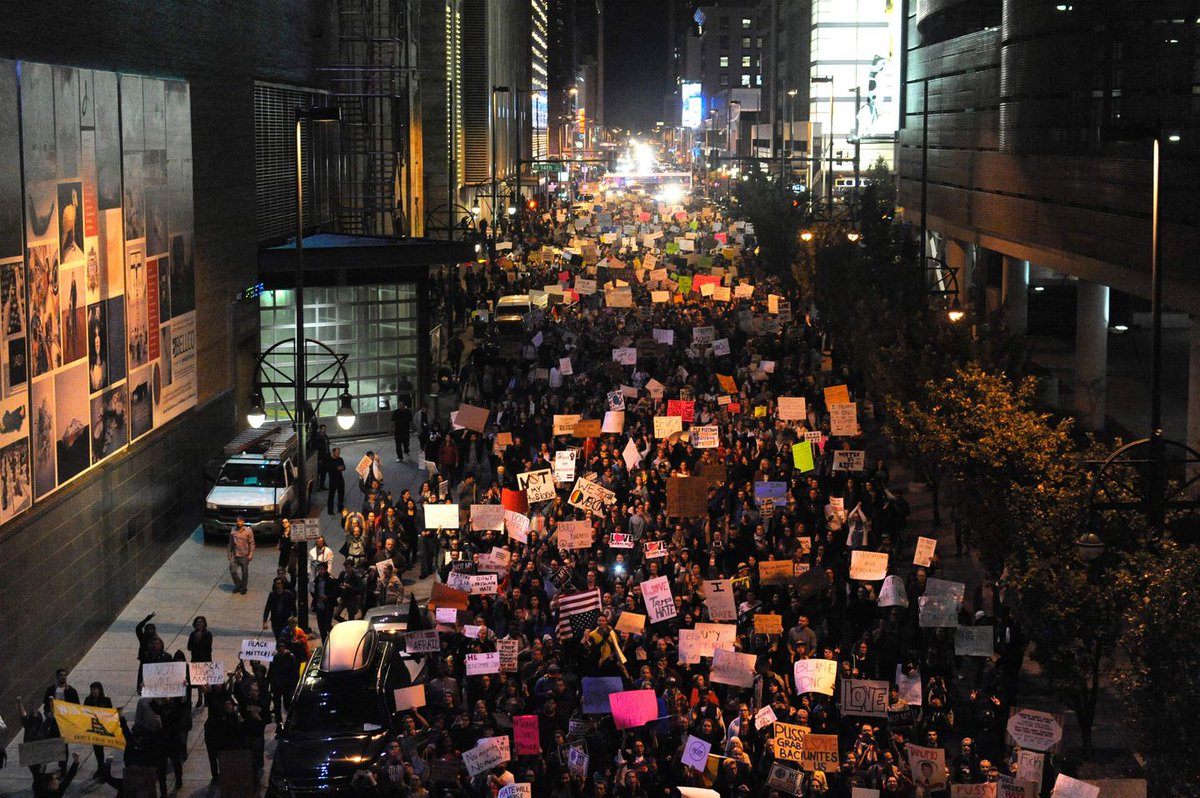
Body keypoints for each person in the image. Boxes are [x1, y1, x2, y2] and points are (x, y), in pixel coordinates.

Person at [82, 682, 112, 775]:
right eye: (92, 689)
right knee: (97, 749)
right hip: (92, 728)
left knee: (100, 748)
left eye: (95, 689)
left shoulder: (106, 700)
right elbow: (84, 712)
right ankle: (100, 767)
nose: (93, 691)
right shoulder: (88, 700)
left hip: (102, 728)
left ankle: (101, 768)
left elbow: (110, 712)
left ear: (100, 690)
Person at [228, 516, 255, 594]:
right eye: (237, 521)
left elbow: (252, 543)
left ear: (243, 522)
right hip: (235, 554)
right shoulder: (233, 530)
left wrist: (251, 554)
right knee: (232, 571)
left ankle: (243, 588)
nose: (238, 522)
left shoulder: (248, 531)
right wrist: (229, 553)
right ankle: (238, 584)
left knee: (244, 572)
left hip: (244, 555)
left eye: (240, 521)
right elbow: (230, 543)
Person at [328, 446, 347, 515]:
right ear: (333, 453)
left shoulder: (340, 459)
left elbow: (344, 467)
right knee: (331, 495)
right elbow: (329, 469)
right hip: (333, 480)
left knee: (341, 494)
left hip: (340, 479)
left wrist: (342, 468)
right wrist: (337, 468)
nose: (338, 454)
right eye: (337, 453)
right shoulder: (330, 460)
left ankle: (340, 508)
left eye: (339, 453)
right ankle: (330, 510)